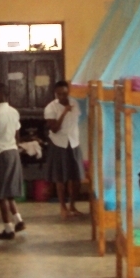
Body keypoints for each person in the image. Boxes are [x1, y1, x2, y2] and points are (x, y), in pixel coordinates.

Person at [0, 82, 25, 240]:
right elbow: (17, 134)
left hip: (0, 155)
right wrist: (14, 147)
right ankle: (18, 220)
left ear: (1, 95)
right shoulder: (14, 112)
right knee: (8, 192)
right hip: (13, 153)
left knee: (0, 194)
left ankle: (8, 229)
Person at [44, 80, 85, 218]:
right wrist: (64, 112)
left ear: (68, 92)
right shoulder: (50, 108)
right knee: (60, 177)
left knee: (76, 177)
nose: (62, 96)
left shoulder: (75, 103)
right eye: (59, 94)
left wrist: (69, 109)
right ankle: (63, 207)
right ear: (55, 94)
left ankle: (72, 205)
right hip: (59, 143)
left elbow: (76, 120)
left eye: (65, 93)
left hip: (73, 142)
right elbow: (55, 129)